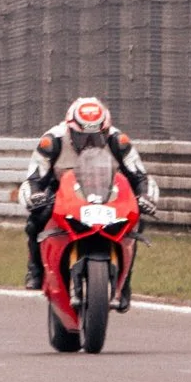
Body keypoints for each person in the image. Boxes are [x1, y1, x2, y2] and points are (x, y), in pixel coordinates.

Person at [20, 96, 157, 300]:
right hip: (63, 194)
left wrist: (144, 196)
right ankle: (35, 270)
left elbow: (139, 176)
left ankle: (125, 283)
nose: (89, 144)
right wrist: (35, 196)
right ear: (70, 130)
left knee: (135, 223)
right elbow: (34, 178)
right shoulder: (52, 141)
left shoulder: (119, 141)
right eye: (82, 137)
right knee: (36, 220)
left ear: (106, 131)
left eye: (97, 137)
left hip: (108, 193)